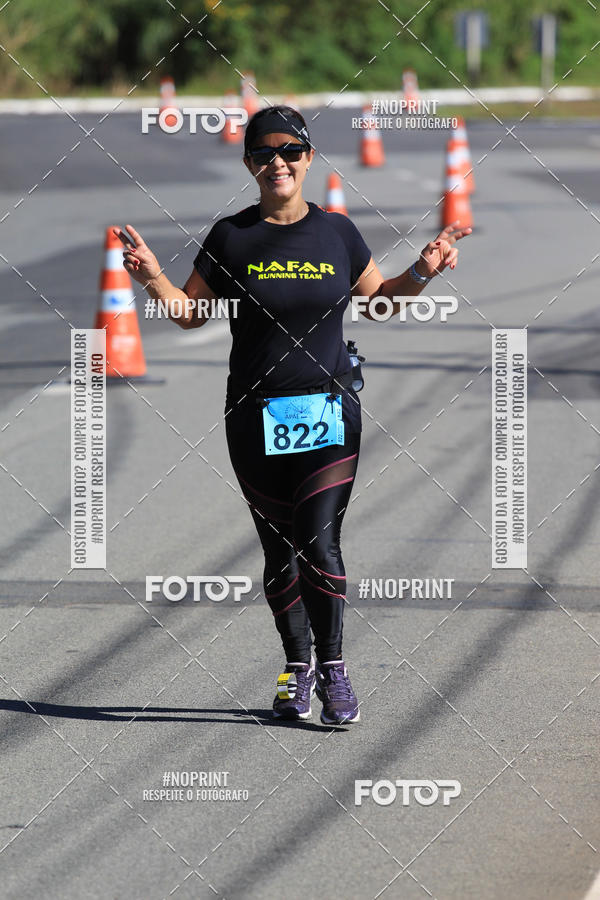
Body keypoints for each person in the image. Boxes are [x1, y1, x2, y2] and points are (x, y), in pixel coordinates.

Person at [116, 105, 471, 725]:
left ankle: (334, 668)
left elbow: (379, 304)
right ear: (249, 164)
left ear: (308, 158)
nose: (276, 162)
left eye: (289, 151)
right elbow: (190, 313)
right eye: (263, 153)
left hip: (329, 410)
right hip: (254, 417)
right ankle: (296, 665)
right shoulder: (231, 236)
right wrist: (151, 278)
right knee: (279, 552)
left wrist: (422, 271)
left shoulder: (338, 233)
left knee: (320, 541)